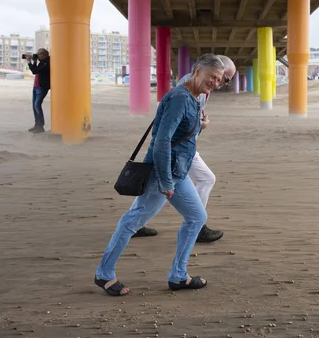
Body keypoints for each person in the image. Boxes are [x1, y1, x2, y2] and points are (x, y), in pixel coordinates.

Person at [94, 54, 225, 296]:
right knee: (133, 221)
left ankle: (178, 275)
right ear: (197, 71)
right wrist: (165, 181)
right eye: (212, 77)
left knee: (197, 217)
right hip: (160, 172)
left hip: (179, 171)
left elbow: (182, 138)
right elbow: (161, 141)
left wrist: (200, 126)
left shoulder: (195, 99)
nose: (216, 83)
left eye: (220, 80)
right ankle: (104, 273)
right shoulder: (179, 98)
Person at [133, 55, 236, 243]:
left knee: (152, 189)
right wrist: (201, 126)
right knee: (204, 179)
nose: (221, 83)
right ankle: (197, 225)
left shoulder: (203, 86)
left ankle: (136, 225)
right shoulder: (189, 87)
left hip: (181, 147)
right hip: (179, 149)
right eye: (224, 78)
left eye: (224, 79)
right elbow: (175, 126)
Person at [26, 48, 50, 133]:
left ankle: (40, 126)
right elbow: (35, 72)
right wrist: (35, 62)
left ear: (44, 55)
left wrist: (29, 62)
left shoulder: (47, 63)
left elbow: (34, 70)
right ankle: (37, 125)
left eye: (39, 54)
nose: (37, 56)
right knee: (34, 106)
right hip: (36, 86)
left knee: (37, 105)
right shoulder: (42, 62)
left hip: (42, 87)